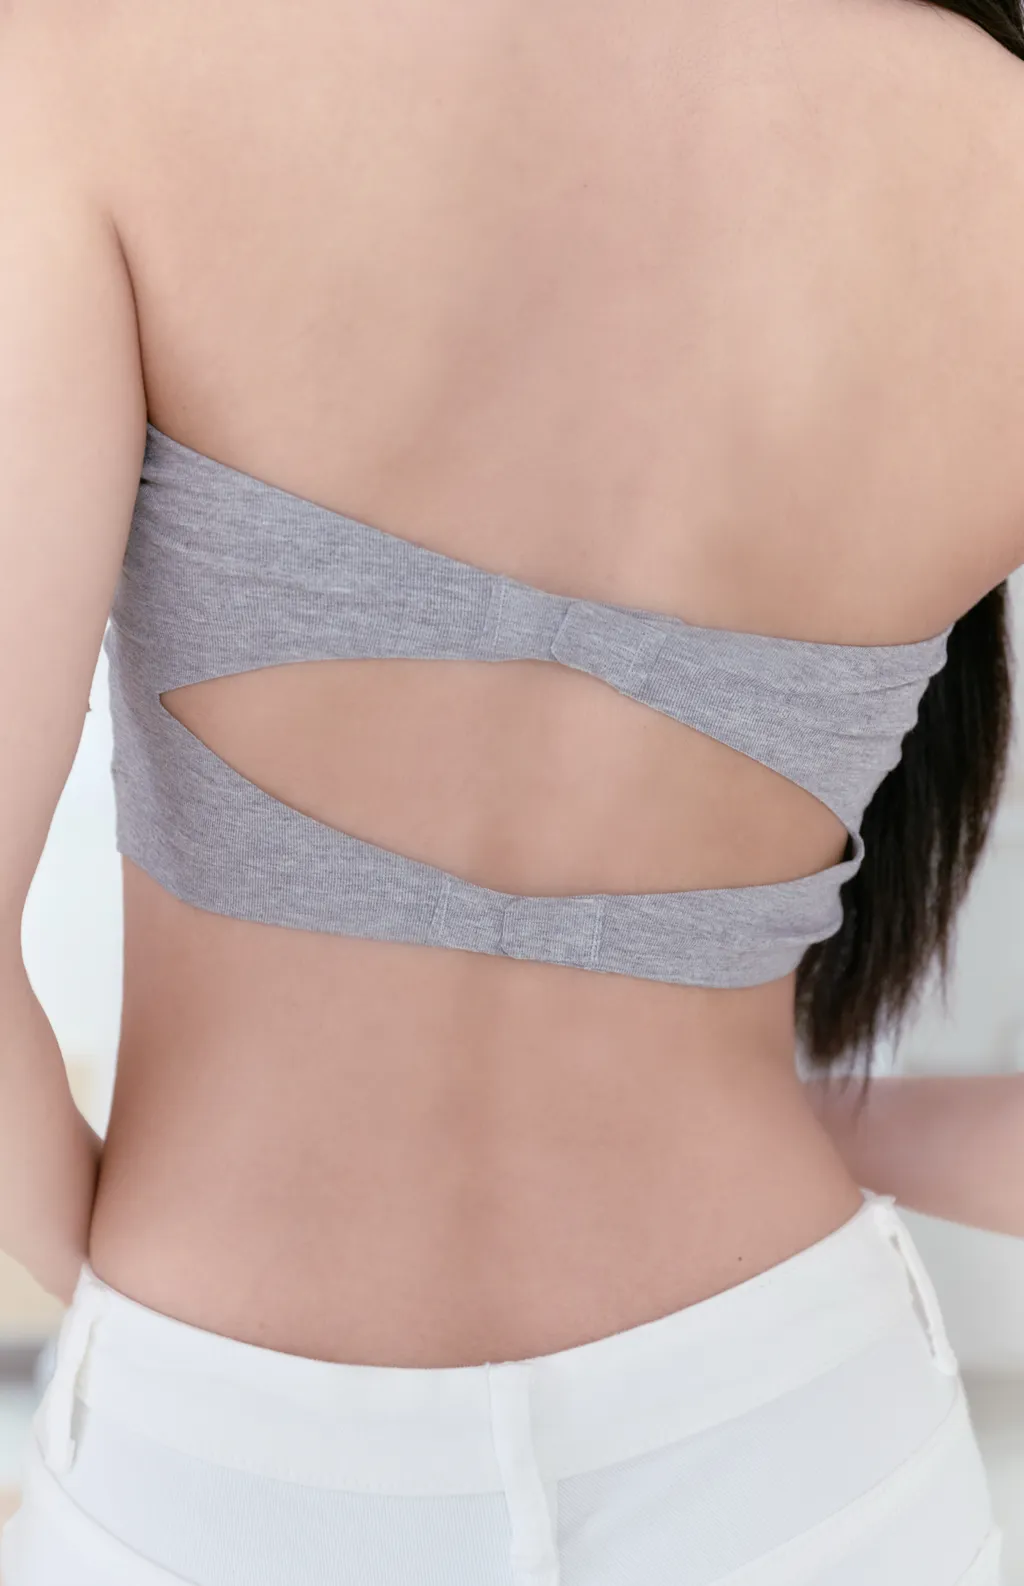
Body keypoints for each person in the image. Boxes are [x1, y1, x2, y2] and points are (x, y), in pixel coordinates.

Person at [0, 0, 1020, 1580]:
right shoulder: (989, 157)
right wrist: (806, 1121)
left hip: (216, 1468)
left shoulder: (108, 51)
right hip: (803, 1430)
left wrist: (148, 1320)